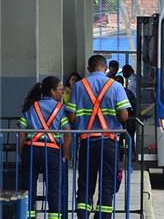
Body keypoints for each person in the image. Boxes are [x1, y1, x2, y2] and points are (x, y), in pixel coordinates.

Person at [65, 55, 131, 219]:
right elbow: (123, 116)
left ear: (89, 68)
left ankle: (82, 215)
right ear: (106, 67)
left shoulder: (79, 86)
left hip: (87, 142)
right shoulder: (116, 86)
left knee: (86, 183)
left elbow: (71, 117)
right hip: (109, 143)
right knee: (107, 183)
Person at [18, 76, 71, 219]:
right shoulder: (61, 109)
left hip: (31, 149)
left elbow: (22, 132)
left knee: (28, 188)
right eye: (61, 90)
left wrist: (22, 153)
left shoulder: (30, 106)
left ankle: (28, 216)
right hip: (53, 152)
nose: (63, 93)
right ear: (52, 91)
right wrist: (65, 156)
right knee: (54, 188)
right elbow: (68, 134)